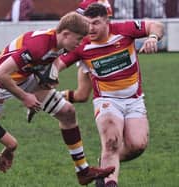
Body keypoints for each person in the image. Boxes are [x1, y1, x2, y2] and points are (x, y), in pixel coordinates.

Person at [0, 11, 115, 185]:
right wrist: (25, 97)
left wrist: (52, 73)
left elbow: (55, 60)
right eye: (78, 39)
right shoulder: (38, 45)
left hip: (25, 79)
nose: (80, 44)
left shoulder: (62, 42)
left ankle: (83, 171)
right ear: (65, 34)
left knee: (67, 112)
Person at [56, 3, 164, 187]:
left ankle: (104, 163)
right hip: (106, 101)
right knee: (111, 142)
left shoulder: (124, 30)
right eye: (87, 23)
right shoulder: (82, 45)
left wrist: (153, 37)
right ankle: (109, 179)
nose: (90, 28)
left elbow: (156, 25)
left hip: (134, 100)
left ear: (107, 21)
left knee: (138, 145)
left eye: (96, 23)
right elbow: (57, 65)